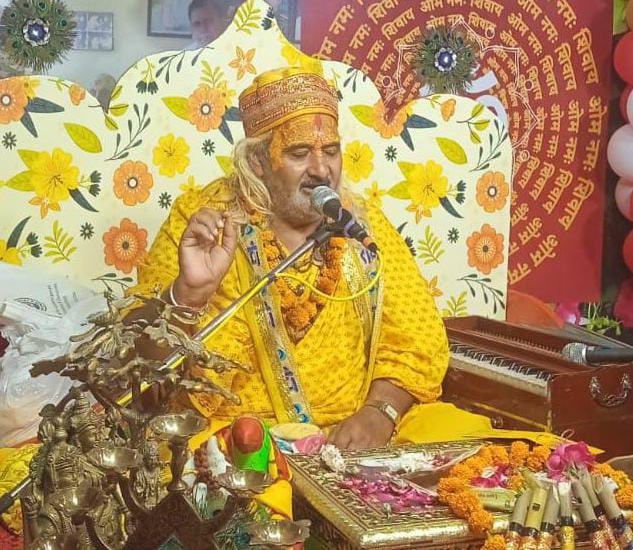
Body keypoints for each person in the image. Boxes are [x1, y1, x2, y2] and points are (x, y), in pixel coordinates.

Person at [129, 66, 495, 451]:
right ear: (258, 162)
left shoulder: (361, 225)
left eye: (331, 151)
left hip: (353, 439)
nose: (321, 170)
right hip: (237, 443)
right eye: (299, 153)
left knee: (458, 438)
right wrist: (186, 296)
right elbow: (144, 366)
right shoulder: (204, 223)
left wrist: (379, 413)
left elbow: (416, 342)